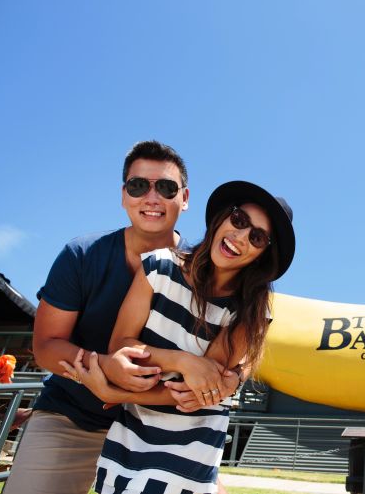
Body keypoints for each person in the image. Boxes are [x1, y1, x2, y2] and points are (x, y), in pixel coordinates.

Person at [3, 141, 242, 494]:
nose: (151, 197)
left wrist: (235, 376)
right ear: (123, 194)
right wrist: (103, 369)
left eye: (166, 187)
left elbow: (244, 331)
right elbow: (47, 346)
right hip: (74, 417)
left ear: (185, 197)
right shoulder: (82, 255)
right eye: (137, 185)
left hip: (162, 428)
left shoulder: (207, 271)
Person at [61, 180, 296, 494]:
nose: (240, 237)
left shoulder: (250, 312)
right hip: (132, 436)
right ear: (224, 217)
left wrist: (117, 394)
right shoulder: (159, 267)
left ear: (263, 254)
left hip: (193, 446)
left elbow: (195, 393)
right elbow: (121, 345)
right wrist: (181, 360)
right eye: (239, 220)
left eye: (256, 237)